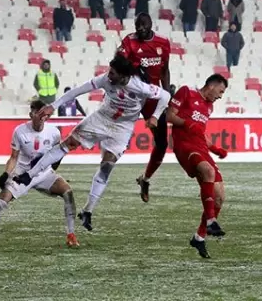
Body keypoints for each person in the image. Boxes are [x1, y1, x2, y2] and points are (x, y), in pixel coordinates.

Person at [12, 54, 171, 231]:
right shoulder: (105, 79)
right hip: (101, 118)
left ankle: (88, 210)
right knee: (67, 144)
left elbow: (165, 95)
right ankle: (29, 174)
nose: (108, 75)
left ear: (124, 76)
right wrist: (53, 106)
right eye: (109, 72)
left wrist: (156, 116)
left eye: (113, 73)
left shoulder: (139, 86)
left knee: (107, 166)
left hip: (123, 127)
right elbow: (77, 91)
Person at [0, 100, 79, 248]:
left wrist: (54, 167)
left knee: (67, 192)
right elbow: (14, 157)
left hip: (43, 174)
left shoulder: (54, 132)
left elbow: (57, 153)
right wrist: (6, 174)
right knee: (2, 201)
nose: (42, 116)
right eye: (38, 113)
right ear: (31, 114)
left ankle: (71, 235)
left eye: (44, 113)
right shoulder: (20, 131)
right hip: (22, 175)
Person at [167, 74, 228, 259]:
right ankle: (211, 220)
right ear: (212, 85)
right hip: (184, 146)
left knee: (219, 197)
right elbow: (169, 115)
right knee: (208, 171)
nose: (220, 96)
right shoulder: (186, 92)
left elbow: (201, 131)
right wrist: (187, 123)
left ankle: (199, 238)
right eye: (220, 91)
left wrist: (215, 148)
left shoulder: (209, 107)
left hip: (201, 148)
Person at [117, 13, 171, 203]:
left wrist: (166, 94)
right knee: (113, 132)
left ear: (150, 24)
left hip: (152, 97)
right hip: (130, 96)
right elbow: (117, 64)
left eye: (143, 25)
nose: (140, 28)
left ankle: (145, 179)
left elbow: (165, 70)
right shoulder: (129, 41)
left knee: (162, 143)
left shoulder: (163, 43)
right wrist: (134, 69)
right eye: (137, 25)